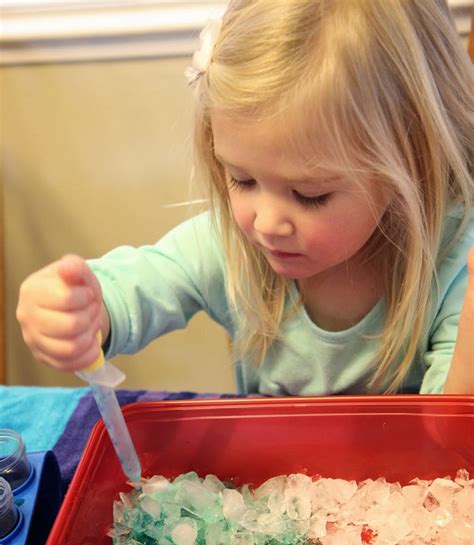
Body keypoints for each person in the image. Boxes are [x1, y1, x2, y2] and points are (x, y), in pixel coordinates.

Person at [17, 0, 473, 396]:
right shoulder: (231, 246)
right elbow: (139, 285)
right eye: (242, 180)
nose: (267, 223)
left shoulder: (453, 264)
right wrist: (81, 311)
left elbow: (451, 435)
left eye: (309, 195)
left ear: (409, 162)